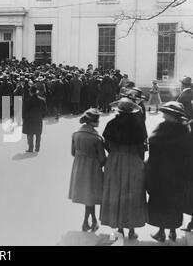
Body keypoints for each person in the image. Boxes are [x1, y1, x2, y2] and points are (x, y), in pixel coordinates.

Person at [100, 97, 148, 240]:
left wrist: (116, 153)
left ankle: (119, 228)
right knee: (133, 194)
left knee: (116, 193)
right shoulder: (138, 126)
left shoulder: (112, 124)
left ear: (119, 110)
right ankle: (132, 229)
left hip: (114, 161)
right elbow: (142, 148)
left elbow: (106, 145)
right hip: (133, 161)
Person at [146, 102, 192, 242]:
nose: (164, 115)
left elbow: (152, 148)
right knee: (174, 203)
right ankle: (172, 232)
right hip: (178, 174)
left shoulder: (161, 128)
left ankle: (161, 232)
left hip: (160, 174)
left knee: (161, 203)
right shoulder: (184, 130)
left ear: (170, 115)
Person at [68, 108, 105, 232]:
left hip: (79, 166)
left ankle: (89, 221)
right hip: (93, 168)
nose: (99, 122)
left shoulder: (75, 134)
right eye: (98, 120)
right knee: (91, 195)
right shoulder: (97, 138)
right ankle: (89, 221)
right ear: (93, 122)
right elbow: (102, 158)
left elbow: (73, 153)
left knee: (87, 196)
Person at [22, 86, 47, 153]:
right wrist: (41, 117)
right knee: (38, 134)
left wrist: (24, 119)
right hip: (38, 119)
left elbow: (24, 112)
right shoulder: (42, 100)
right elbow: (44, 111)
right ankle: (37, 148)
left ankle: (30, 148)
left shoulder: (27, 101)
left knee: (30, 134)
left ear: (30, 92)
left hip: (30, 120)